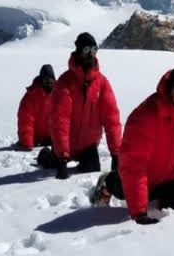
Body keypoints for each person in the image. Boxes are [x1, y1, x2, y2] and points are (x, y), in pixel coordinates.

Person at [89, 65, 174, 225]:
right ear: (170, 89)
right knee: (123, 186)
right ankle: (107, 183)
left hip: (171, 176)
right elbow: (134, 166)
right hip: (140, 175)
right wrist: (140, 213)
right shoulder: (148, 115)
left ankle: (154, 196)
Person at [44, 33, 122, 179]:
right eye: (86, 50)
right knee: (51, 164)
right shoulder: (64, 82)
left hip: (88, 148)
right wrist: (62, 157)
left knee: (92, 169)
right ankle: (46, 155)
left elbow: (112, 119)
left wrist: (116, 154)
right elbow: (60, 121)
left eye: (94, 50)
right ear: (78, 52)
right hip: (63, 148)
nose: (90, 55)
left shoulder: (102, 83)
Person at [17, 64, 56, 150]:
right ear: (41, 81)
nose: (49, 83)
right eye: (46, 80)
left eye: (51, 80)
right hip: (35, 141)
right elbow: (25, 122)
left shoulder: (59, 95)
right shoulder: (30, 97)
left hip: (52, 140)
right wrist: (27, 144)